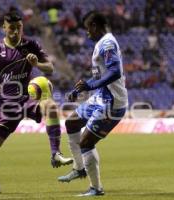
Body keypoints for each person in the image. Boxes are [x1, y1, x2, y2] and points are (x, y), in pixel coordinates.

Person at [0, 11, 72, 195]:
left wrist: (37, 65)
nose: (15, 31)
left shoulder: (31, 45)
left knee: (50, 106)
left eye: (19, 27)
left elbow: (49, 68)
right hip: (7, 104)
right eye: (11, 27)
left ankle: (55, 154)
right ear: (4, 27)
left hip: (28, 98)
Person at [58, 11, 128, 196]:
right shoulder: (102, 43)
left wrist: (89, 85)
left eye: (87, 28)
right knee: (71, 122)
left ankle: (96, 188)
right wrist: (81, 89)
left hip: (112, 102)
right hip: (100, 96)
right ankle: (79, 168)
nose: (87, 33)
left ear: (94, 26)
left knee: (86, 141)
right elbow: (102, 74)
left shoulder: (107, 43)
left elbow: (115, 72)